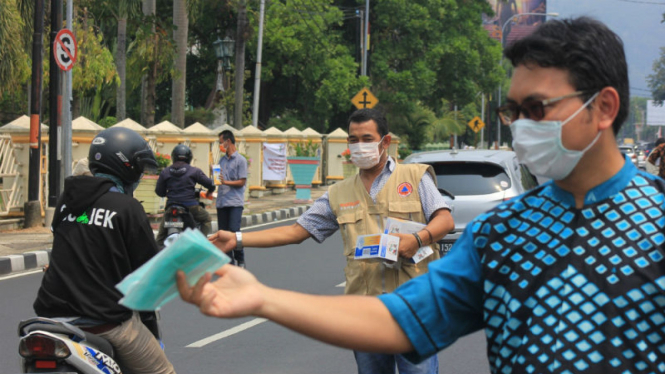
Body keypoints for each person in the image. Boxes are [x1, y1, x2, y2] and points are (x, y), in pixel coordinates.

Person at [178, 17, 665, 373]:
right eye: (511, 111)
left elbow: (440, 223)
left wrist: (416, 240)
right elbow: (402, 320)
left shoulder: (657, 223)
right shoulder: (502, 234)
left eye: (536, 109)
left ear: (603, 107)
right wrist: (262, 298)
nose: (520, 129)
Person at [206, 108, 454, 374]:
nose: (359, 146)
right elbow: (296, 231)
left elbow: (444, 220)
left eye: (367, 139)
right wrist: (237, 238)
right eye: (353, 139)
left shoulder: (415, 177)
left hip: (413, 306)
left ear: (385, 141)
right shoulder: (338, 193)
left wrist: (418, 239)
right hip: (364, 310)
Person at [34, 127, 176, 374]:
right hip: (103, 323)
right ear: (126, 165)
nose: (141, 175)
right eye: (139, 168)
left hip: (52, 320)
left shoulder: (67, 201)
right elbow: (149, 275)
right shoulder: (127, 208)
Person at [155, 144, 215, 247]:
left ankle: (157, 253)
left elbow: (159, 192)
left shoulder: (165, 171)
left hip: (171, 206)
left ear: (173, 156)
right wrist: (209, 192)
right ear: (189, 157)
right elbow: (211, 184)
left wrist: (169, 193)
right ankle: (199, 244)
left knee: (160, 238)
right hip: (190, 206)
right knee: (207, 219)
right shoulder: (194, 171)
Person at [216, 130, 248, 267]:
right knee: (223, 234)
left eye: (220, 142)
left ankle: (240, 258)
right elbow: (218, 180)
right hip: (222, 202)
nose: (220, 145)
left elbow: (241, 182)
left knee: (234, 231)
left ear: (228, 142)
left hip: (235, 202)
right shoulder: (221, 161)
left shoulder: (241, 160)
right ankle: (229, 263)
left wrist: (226, 182)